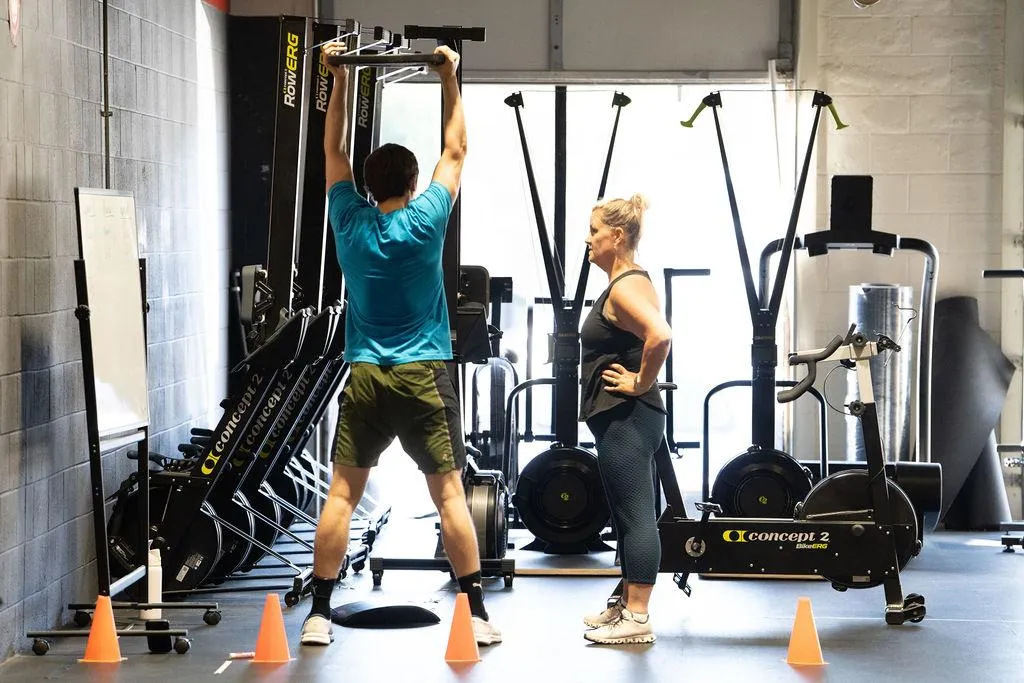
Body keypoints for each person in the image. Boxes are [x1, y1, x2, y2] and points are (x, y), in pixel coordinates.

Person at [299, 42, 501, 648]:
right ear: (413, 183)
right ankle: (477, 613)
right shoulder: (425, 220)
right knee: (447, 493)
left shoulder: (349, 221)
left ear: (368, 184)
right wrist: (450, 76)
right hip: (423, 375)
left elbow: (331, 150)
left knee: (341, 494)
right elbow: (457, 149)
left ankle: (318, 614)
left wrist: (337, 77)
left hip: (365, 374)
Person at [577, 194, 672, 645]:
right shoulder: (626, 282)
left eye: (594, 231)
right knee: (627, 513)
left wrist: (638, 382)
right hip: (625, 417)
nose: (588, 239)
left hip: (628, 415)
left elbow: (661, 335)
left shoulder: (625, 286)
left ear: (617, 236)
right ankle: (625, 602)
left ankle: (637, 618)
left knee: (636, 516)